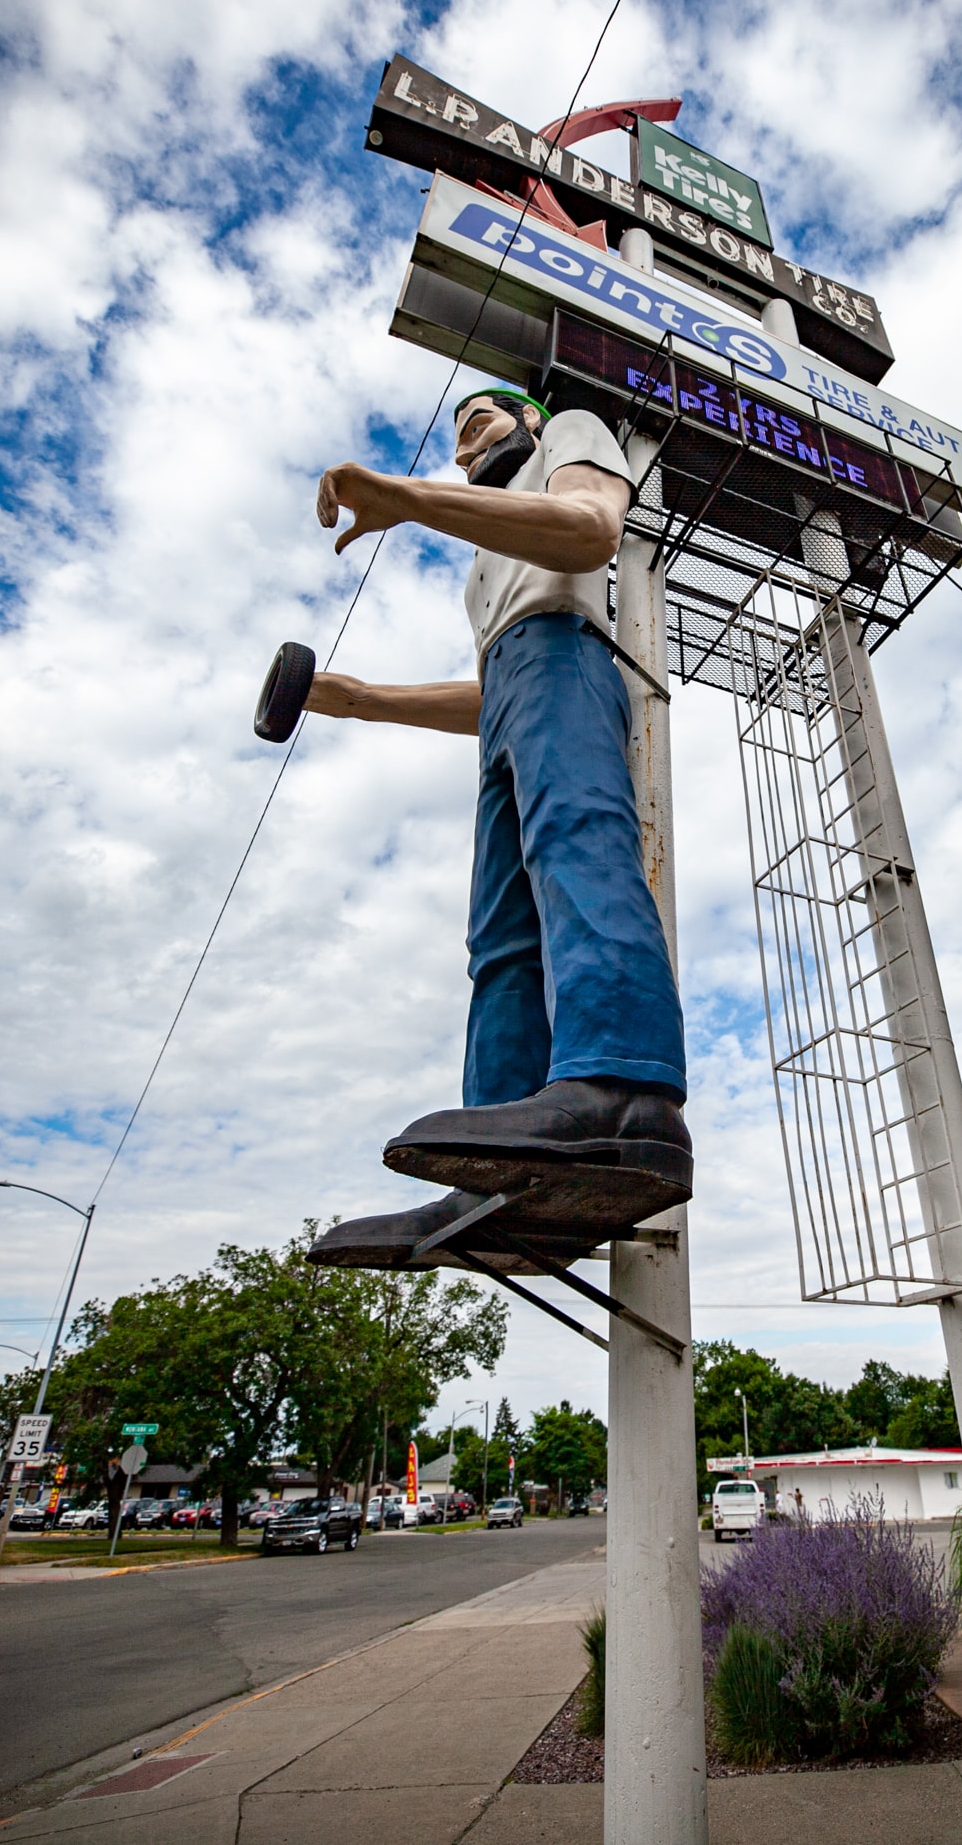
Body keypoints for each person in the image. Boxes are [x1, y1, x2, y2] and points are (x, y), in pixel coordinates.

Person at [305, 388, 692, 1273]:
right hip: (509, 693)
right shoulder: (488, 560)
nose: (465, 436)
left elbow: (591, 532)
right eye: (454, 433)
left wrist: (407, 502)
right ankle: (493, 1157)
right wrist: (363, 700)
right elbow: (490, 686)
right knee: (499, 938)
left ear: (526, 416)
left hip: (568, 658)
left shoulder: (573, 434)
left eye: (482, 416)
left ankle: (623, 1089)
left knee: (578, 843)